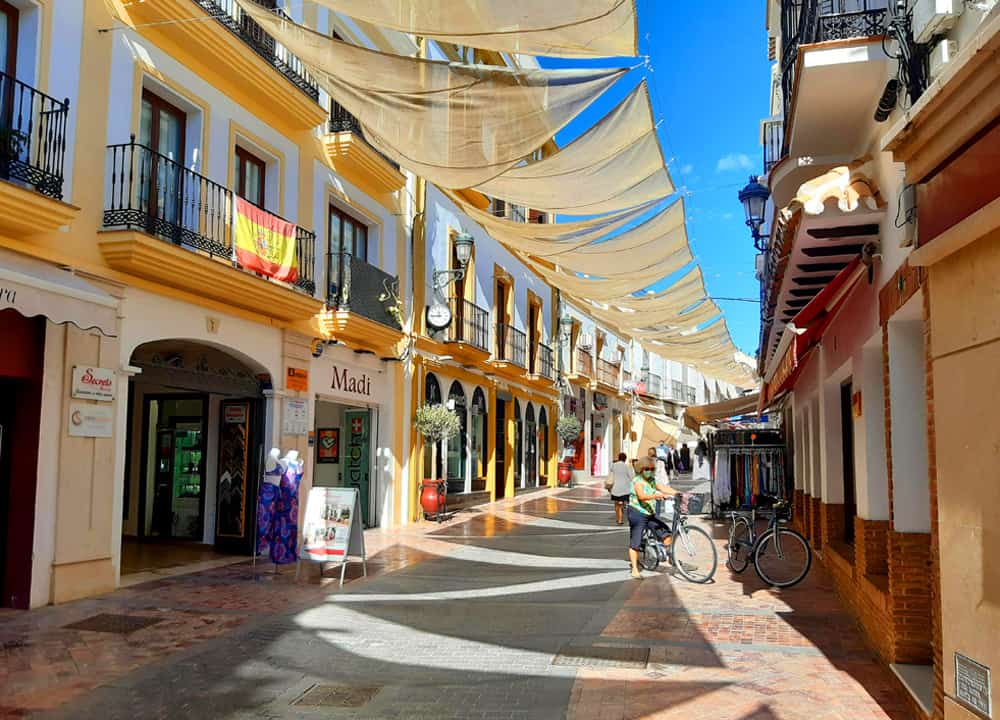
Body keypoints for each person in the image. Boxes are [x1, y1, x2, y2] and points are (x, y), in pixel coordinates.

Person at [627, 456, 678, 579]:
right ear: (641, 469)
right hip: (637, 513)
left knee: (666, 534)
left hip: (650, 513)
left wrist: (677, 493)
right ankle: (634, 569)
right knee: (635, 542)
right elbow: (641, 496)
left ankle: (669, 556)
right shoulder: (637, 481)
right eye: (646, 469)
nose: (649, 471)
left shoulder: (652, 480)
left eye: (651, 469)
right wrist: (657, 496)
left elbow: (663, 487)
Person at [607, 452, 634, 525]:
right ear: (625, 459)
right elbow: (632, 477)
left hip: (615, 488)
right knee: (621, 505)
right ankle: (620, 519)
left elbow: (610, 467)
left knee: (616, 504)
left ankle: (617, 518)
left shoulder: (614, 465)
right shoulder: (627, 467)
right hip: (624, 489)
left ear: (618, 458)